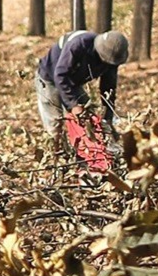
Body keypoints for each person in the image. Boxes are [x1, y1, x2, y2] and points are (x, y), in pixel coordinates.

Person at [35, 26, 127, 174]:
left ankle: (85, 161)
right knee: (55, 124)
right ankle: (53, 165)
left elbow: (108, 89)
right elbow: (60, 75)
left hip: (72, 82)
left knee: (89, 120)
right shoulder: (80, 44)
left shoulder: (111, 59)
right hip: (49, 79)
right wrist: (73, 105)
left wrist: (108, 118)